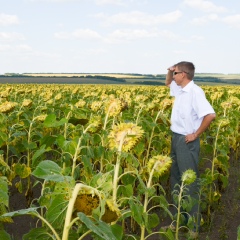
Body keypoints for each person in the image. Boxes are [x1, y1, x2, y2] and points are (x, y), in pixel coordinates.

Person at [165, 61, 216, 236]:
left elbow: (210, 115)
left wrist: (196, 134)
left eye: (176, 73)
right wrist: (169, 70)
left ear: (184, 75)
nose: (173, 76)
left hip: (187, 141)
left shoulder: (195, 92)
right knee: (176, 180)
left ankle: (194, 226)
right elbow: (167, 83)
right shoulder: (180, 90)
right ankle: (178, 221)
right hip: (176, 137)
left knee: (190, 182)